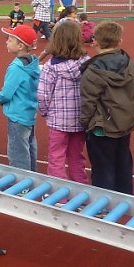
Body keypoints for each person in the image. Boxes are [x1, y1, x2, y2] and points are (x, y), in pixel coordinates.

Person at [80, 21, 134, 195]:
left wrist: (85, 123)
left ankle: (104, 205)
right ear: (119, 41)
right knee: (123, 162)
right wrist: (132, 113)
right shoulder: (131, 64)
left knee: (103, 166)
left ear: (95, 41)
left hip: (101, 128)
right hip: (125, 124)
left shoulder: (92, 71)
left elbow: (88, 102)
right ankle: (125, 197)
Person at [36, 20, 90, 183]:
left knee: (56, 157)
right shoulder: (86, 62)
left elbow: (43, 95)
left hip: (58, 121)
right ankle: (81, 190)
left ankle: (59, 193)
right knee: (77, 157)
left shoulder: (50, 67)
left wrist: (45, 112)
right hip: (80, 119)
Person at [0, 25, 41, 171]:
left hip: (17, 115)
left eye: (10, 39)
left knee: (17, 151)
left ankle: (22, 187)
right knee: (29, 146)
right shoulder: (33, 64)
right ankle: (31, 178)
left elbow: (7, 92)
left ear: (20, 46)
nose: (6, 42)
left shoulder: (15, 67)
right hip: (29, 112)